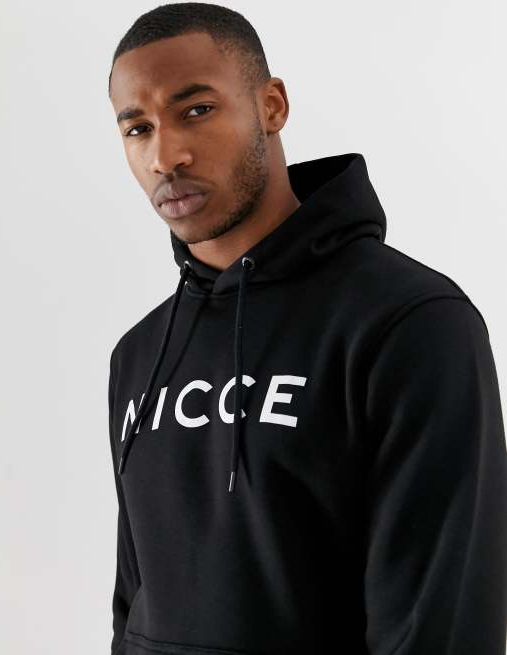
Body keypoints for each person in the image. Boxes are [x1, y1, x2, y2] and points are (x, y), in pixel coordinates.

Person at [106, 3, 507, 654]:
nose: (165, 155)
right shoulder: (140, 353)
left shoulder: (410, 322)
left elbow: (441, 620)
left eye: (197, 110)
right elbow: (133, 602)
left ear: (271, 106)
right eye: (137, 128)